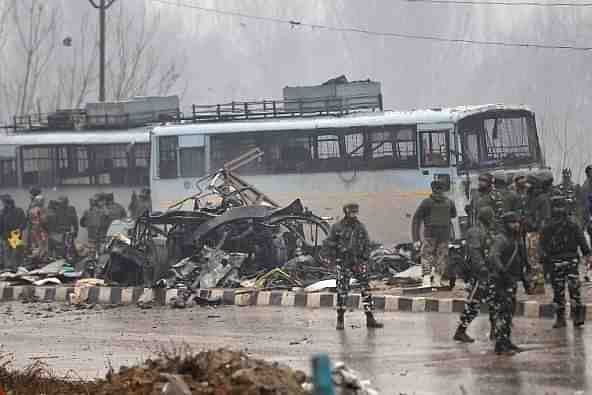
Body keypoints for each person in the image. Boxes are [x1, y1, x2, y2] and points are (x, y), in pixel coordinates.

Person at [323, 203, 383, 330]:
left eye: (355, 212)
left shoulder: (360, 227)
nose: (354, 214)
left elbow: (367, 244)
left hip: (358, 263)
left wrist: (364, 259)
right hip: (343, 262)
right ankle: (340, 319)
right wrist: (335, 258)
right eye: (351, 212)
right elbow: (329, 244)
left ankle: (370, 318)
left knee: (366, 290)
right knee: (342, 291)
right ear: (346, 212)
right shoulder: (337, 227)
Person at [541, 196, 591, 328]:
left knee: (559, 291)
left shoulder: (547, 225)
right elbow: (582, 241)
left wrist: (544, 263)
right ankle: (577, 317)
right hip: (571, 260)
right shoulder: (572, 223)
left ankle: (561, 319)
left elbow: (542, 246)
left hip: (556, 262)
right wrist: (587, 254)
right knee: (574, 290)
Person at [453, 206, 496, 343]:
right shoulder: (475, 232)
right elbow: (475, 253)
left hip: (488, 273)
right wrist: (482, 268)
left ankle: (495, 331)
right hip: (479, 274)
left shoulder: (487, 231)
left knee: (495, 303)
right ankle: (460, 331)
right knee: (473, 304)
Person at [488, 211, 526, 355]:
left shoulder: (516, 238)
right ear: (506, 224)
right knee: (502, 312)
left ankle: (507, 341)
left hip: (511, 281)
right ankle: (500, 345)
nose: (516, 225)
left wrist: (523, 276)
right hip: (500, 281)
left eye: (517, 222)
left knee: (509, 312)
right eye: (512, 222)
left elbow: (521, 259)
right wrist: (503, 272)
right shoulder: (501, 239)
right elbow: (494, 256)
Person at [413, 179, 457, 287]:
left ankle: (426, 280)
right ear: (443, 189)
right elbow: (454, 215)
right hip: (445, 235)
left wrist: (416, 238)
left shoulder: (426, 202)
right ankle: (437, 280)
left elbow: (416, 219)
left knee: (426, 255)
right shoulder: (449, 202)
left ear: (432, 189)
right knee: (441, 256)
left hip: (430, 234)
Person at [0, 195, 26, 270]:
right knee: (8, 252)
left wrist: (19, 230)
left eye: (3, 202)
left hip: (14, 234)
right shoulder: (2, 212)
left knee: (14, 252)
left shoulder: (18, 210)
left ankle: (14, 267)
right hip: (6, 234)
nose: (3, 204)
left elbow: (23, 222)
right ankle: (9, 267)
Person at [28, 195, 49, 261]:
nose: (43, 202)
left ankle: (36, 258)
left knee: (36, 245)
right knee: (43, 245)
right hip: (41, 229)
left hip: (34, 229)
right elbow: (44, 220)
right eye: (42, 201)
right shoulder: (41, 209)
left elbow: (30, 220)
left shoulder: (31, 209)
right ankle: (41, 259)